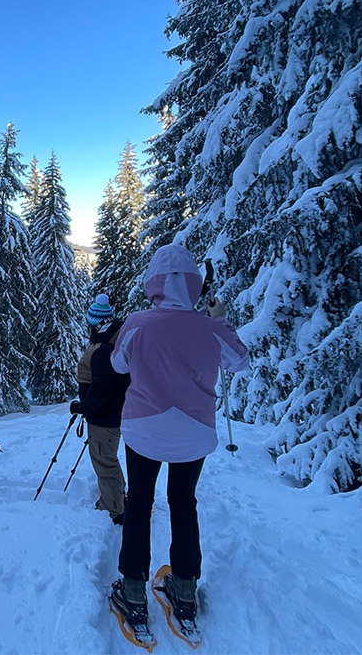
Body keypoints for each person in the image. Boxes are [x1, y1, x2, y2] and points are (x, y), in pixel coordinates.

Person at [107, 245, 249, 631]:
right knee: (183, 502)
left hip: (144, 430)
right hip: (193, 432)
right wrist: (220, 320)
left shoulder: (137, 323)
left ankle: (133, 591)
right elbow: (240, 361)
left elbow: (118, 364)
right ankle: (184, 591)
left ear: (153, 282)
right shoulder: (210, 327)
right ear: (194, 285)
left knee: (138, 502)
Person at [70, 294, 129, 525]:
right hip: (109, 414)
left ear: (97, 323)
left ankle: (114, 508)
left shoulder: (104, 349)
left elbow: (102, 388)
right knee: (106, 458)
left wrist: (84, 407)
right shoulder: (112, 342)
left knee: (104, 460)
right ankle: (116, 499)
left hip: (105, 418)